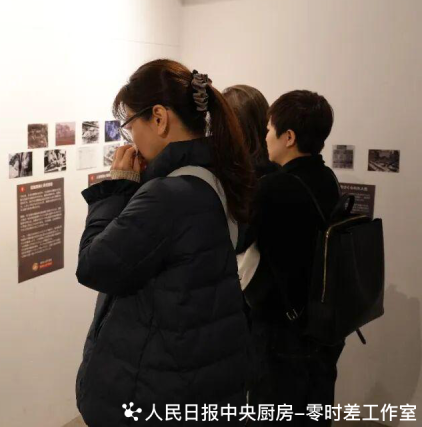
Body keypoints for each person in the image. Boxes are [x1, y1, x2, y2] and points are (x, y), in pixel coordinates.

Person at [75, 59, 256, 426]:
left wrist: (116, 189)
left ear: (158, 118)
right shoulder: (215, 174)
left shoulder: (168, 195)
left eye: (130, 126)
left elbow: (95, 266)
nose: (131, 140)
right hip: (199, 373)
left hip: (155, 389)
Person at [242, 90, 343, 426]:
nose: (264, 137)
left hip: (282, 327)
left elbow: (239, 239)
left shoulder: (273, 187)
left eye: (269, 129)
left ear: (289, 137)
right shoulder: (327, 178)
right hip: (323, 322)